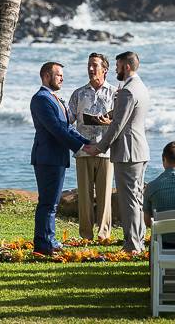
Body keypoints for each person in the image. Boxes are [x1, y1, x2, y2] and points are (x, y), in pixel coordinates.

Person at [86, 51, 150, 253]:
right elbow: (124, 117)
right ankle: (138, 241)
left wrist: (99, 147)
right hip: (139, 150)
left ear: (127, 67)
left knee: (129, 200)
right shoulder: (140, 87)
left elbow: (118, 126)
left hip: (128, 152)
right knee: (136, 199)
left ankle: (132, 245)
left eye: (117, 67)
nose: (115, 70)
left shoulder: (127, 91)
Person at [29, 61, 91, 255]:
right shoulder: (41, 99)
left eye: (62, 75)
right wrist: (80, 146)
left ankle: (49, 239)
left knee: (52, 202)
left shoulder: (55, 98)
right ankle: (44, 243)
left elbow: (66, 127)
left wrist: (86, 142)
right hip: (47, 157)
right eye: (58, 75)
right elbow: (55, 128)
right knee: (48, 203)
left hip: (56, 157)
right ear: (46, 76)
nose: (62, 78)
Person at [67, 52, 116, 241]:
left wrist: (108, 123)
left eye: (95, 65)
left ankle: (104, 234)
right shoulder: (78, 93)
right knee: (84, 197)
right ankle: (85, 235)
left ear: (105, 69)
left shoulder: (114, 93)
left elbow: (120, 121)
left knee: (104, 196)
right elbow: (68, 120)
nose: (90, 69)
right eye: (89, 65)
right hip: (83, 150)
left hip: (106, 151)